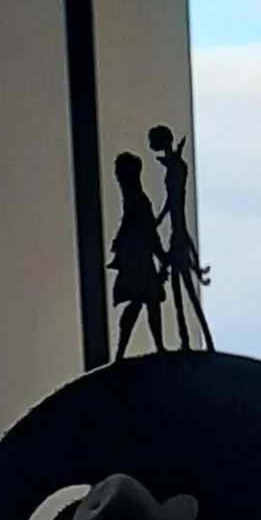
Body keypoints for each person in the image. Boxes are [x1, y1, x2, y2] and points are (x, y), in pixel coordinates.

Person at [148, 122, 210, 352]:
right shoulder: (175, 165)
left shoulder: (176, 166)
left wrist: (160, 218)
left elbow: (174, 202)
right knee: (180, 293)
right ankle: (186, 340)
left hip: (178, 235)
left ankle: (196, 340)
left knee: (186, 294)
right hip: (176, 232)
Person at [109, 153, 165, 358]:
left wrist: (161, 256)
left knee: (145, 303)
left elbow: (149, 232)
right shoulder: (136, 202)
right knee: (144, 303)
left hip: (139, 261)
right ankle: (125, 350)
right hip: (137, 262)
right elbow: (149, 233)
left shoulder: (138, 202)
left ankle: (148, 347)